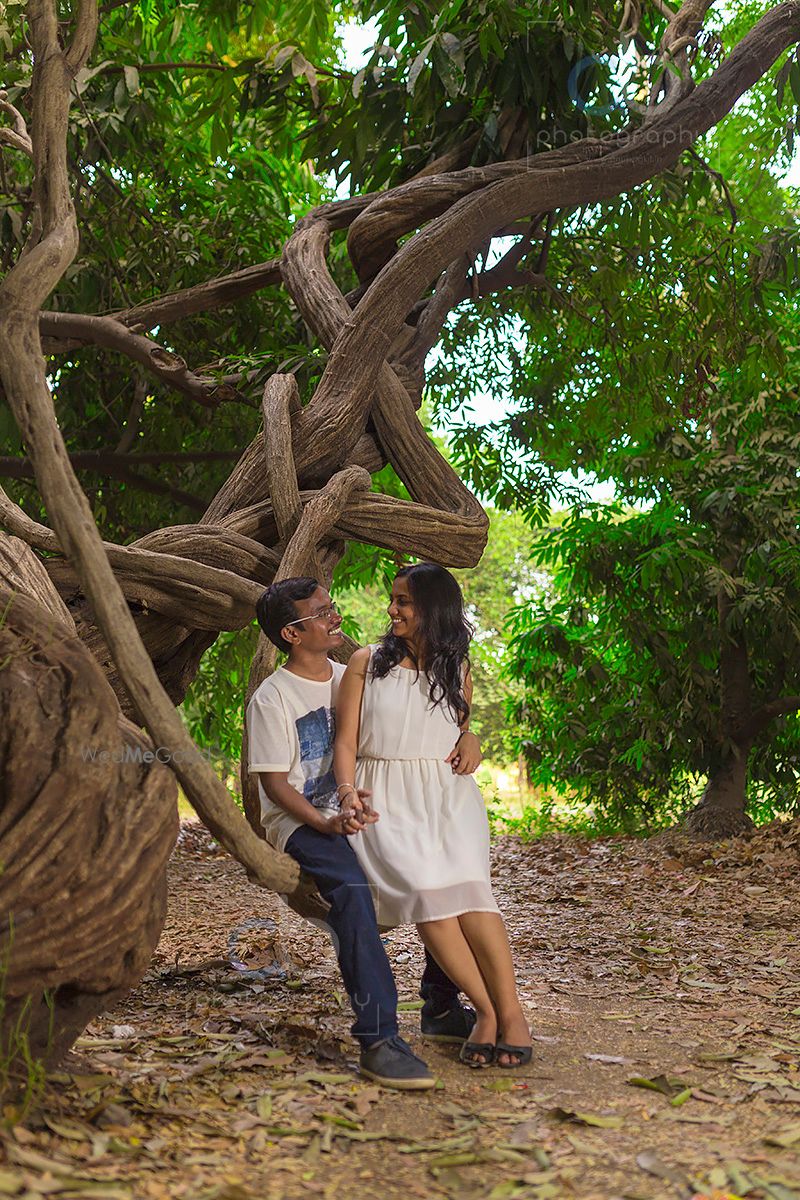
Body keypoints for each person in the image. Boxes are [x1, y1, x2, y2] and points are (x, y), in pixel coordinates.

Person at [246, 576, 476, 1090]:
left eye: (333, 607)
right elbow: (276, 785)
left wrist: (469, 733)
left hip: (365, 805)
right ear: (291, 633)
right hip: (304, 822)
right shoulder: (273, 698)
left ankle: (440, 1004)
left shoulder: (357, 670)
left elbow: (432, 712)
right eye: (322, 613)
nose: (336, 618)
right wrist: (326, 820)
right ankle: (378, 1040)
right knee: (351, 893)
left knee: (441, 867)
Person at [333, 563, 532, 1068]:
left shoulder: (455, 664)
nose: (391, 609)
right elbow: (347, 741)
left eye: (403, 601)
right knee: (427, 895)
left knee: (473, 891)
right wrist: (347, 789)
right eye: (393, 599)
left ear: (433, 609)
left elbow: (459, 725)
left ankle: (513, 1015)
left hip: (448, 796)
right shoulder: (366, 662)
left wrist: (471, 737)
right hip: (386, 797)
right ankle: (485, 1011)